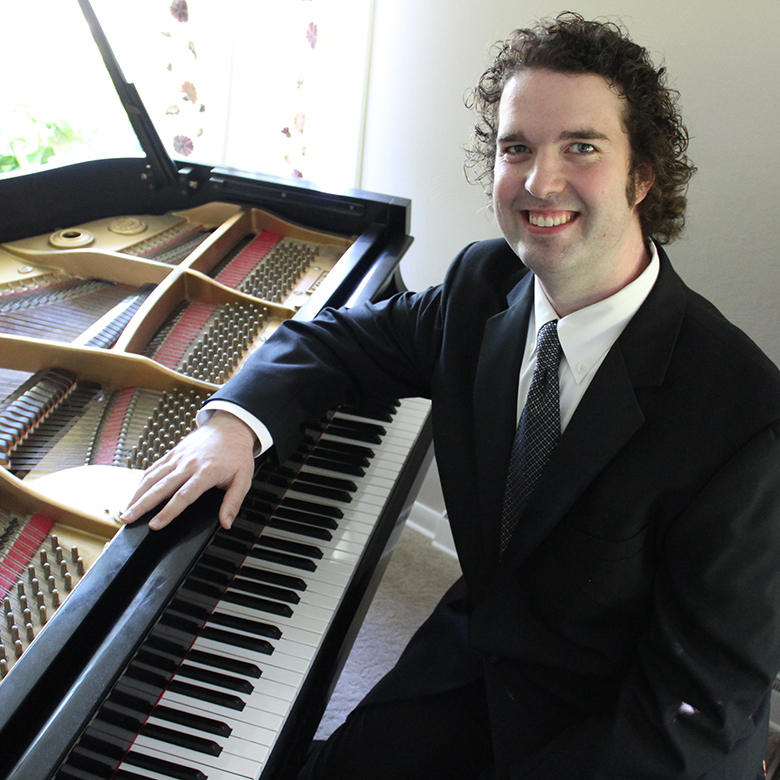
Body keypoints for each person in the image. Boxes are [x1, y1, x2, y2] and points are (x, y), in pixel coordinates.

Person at [121, 12, 780, 780]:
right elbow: (336, 341)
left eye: (582, 147)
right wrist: (231, 425)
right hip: (473, 659)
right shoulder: (484, 286)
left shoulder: (744, 421)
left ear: (643, 176)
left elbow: (695, 721)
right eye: (517, 148)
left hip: (608, 732)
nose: (540, 182)